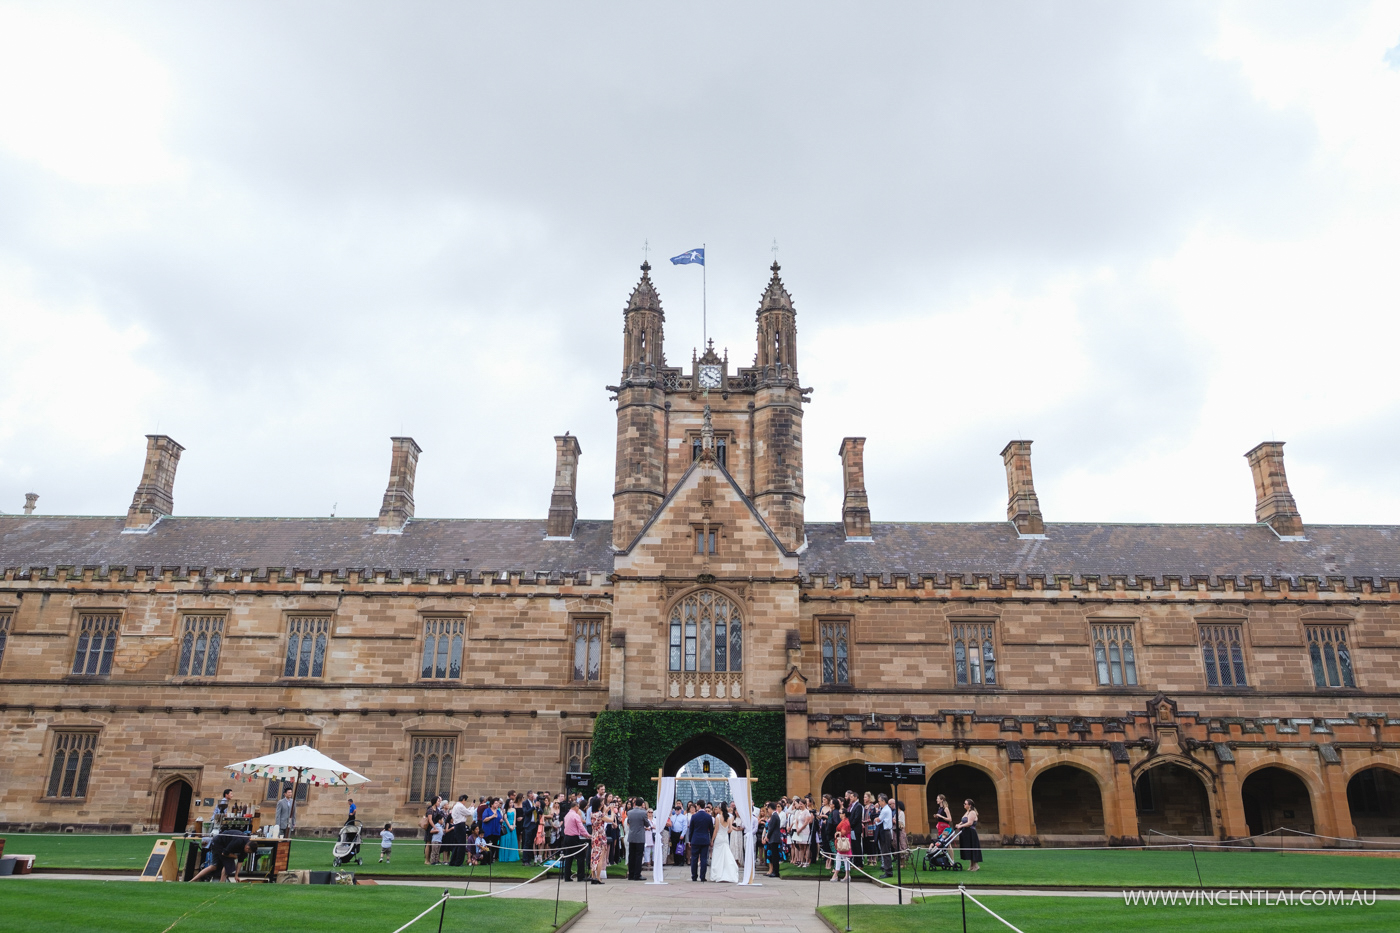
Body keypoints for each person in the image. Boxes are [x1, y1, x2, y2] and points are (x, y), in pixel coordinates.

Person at [188, 828, 255, 882]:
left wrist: (236, 875)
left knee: (213, 867)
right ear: (247, 848)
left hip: (225, 846)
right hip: (218, 843)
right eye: (248, 852)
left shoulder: (246, 847)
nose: (247, 853)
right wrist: (235, 856)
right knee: (228, 863)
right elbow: (225, 853)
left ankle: (192, 881)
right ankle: (221, 883)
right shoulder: (239, 841)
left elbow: (240, 862)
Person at [710, 802, 740, 884]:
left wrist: (712, 839)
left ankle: (717, 874)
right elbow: (730, 829)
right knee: (726, 854)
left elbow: (716, 830)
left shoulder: (718, 817)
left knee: (717, 855)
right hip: (725, 837)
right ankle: (729, 872)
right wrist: (725, 832)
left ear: (720, 808)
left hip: (719, 837)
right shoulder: (729, 818)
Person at [687, 799, 714, 882]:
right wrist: (711, 839)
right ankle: (703, 877)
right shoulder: (708, 816)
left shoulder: (694, 816)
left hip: (695, 839)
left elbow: (691, 829)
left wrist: (690, 840)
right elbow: (711, 830)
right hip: (705, 839)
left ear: (698, 806)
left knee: (694, 858)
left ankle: (694, 876)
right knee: (703, 859)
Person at [622, 797, 648, 880]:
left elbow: (629, 822)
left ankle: (631, 874)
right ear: (642, 804)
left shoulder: (629, 812)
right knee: (639, 855)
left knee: (631, 855)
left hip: (632, 835)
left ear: (635, 803)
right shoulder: (643, 813)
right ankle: (637, 874)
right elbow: (647, 823)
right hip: (640, 836)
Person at [957, 798, 982, 872]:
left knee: (972, 847)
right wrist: (958, 824)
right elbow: (963, 821)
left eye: (965, 804)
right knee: (968, 848)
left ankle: (975, 865)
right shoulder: (967, 812)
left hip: (971, 832)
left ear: (969, 805)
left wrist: (961, 826)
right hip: (965, 832)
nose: (964, 805)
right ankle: (971, 865)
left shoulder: (972, 812)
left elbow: (969, 823)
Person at [588, 795, 608, 884]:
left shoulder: (593, 813)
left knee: (593, 856)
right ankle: (598, 877)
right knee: (600, 857)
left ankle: (593, 876)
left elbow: (603, 815)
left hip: (594, 835)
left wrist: (606, 810)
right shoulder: (599, 814)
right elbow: (610, 819)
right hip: (600, 836)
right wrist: (613, 812)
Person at [448, 795, 472, 866]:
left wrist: (470, 807)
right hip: (460, 825)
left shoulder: (456, 806)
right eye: (465, 800)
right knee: (461, 844)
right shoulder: (460, 806)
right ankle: (458, 862)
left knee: (456, 844)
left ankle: (453, 861)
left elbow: (465, 812)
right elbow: (469, 813)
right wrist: (472, 808)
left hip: (457, 825)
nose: (465, 802)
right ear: (463, 799)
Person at [761, 803, 783, 878]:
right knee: (774, 855)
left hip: (774, 838)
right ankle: (774, 871)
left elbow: (771, 828)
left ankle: (775, 871)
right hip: (774, 838)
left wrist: (768, 836)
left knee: (775, 856)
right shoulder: (775, 815)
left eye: (768, 809)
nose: (768, 811)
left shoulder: (774, 816)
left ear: (770, 808)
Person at [875, 793, 894, 877]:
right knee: (884, 851)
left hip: (885, 832)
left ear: (883, 801)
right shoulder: (885, 809)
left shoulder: (885, 810)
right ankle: (887, 870)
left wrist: (876, 819)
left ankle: (888, 871)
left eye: (879, 801)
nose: (879, 803)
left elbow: (878, 820)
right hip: (885, 831)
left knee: (886, 852)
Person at [831, 809, 852, 882]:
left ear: (844, 814)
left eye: (840, 813)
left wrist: (837, 833)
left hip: (843, 841)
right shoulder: (844, 821)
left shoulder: (845, 822)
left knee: (842, 858)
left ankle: (837, 874)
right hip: (843, 840)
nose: (839, 814)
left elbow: (844, 832)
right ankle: (845, 875)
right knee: (843, 858)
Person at [520, 791, 539, 865]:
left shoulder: (535, 802)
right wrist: (534, 807)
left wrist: (538, 807)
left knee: (532, 842)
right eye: (531, 796)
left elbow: (540, 812)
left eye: (533, 796)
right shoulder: (525, 803)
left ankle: (530, 858)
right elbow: (526, 812)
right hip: (528, 824)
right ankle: (525, 860)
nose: (533, 797)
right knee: (527, 842)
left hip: (534, 824)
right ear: (528, 796)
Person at [500, 795, 520, 862]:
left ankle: (513, 856)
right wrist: (509, 826)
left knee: (513, 840)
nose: (511, 804)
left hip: (512, 825)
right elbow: (505, 818)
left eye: (512, 803)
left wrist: (514, 825)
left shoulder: (514, 809)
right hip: (507, 825)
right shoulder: (505, 810)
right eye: (510, 803)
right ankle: (506, 856)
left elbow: (514, 819)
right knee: (507, 840)